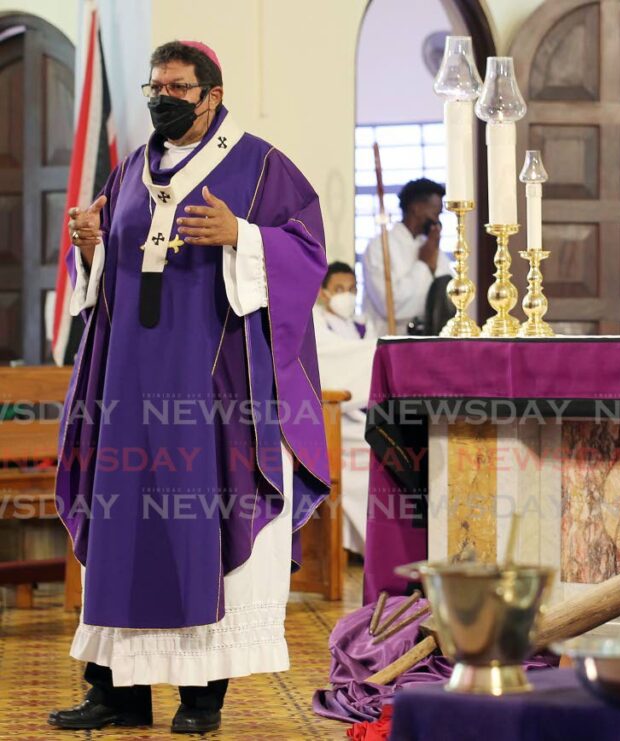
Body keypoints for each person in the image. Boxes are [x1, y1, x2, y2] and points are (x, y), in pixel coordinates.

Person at [51, 40, 330, 733]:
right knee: (123, 531)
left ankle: (201, 698)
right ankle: (116, 692)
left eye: (177, 88)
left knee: (198, 531)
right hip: (128, 393)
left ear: (212, 93)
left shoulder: (260, 164)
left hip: (211, 396)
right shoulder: (129, 169)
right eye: (156, 86)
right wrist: (92, 244)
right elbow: (113, 275)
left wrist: (243, 234)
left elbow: (307, 253)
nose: (162, 98)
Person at [312, 261, 377, 552]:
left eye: (352, 289)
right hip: (334, 416)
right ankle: (361, 546)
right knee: (363, 458)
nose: (346, 296)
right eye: (339, 289)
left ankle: (372, 546)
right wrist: (374, 351)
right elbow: (330, 363)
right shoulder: (314, 322)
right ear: (324, 292)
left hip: (365, 413)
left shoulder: (364, 325)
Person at [362, 178, 450, 335]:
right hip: (388, 341)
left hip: (428, 341)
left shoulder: (431, 248)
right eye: (435, 213)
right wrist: (423, 265)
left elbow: (445, 298)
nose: (437, 221)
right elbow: (390, 306)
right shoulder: (380, 246)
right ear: (416, 208)